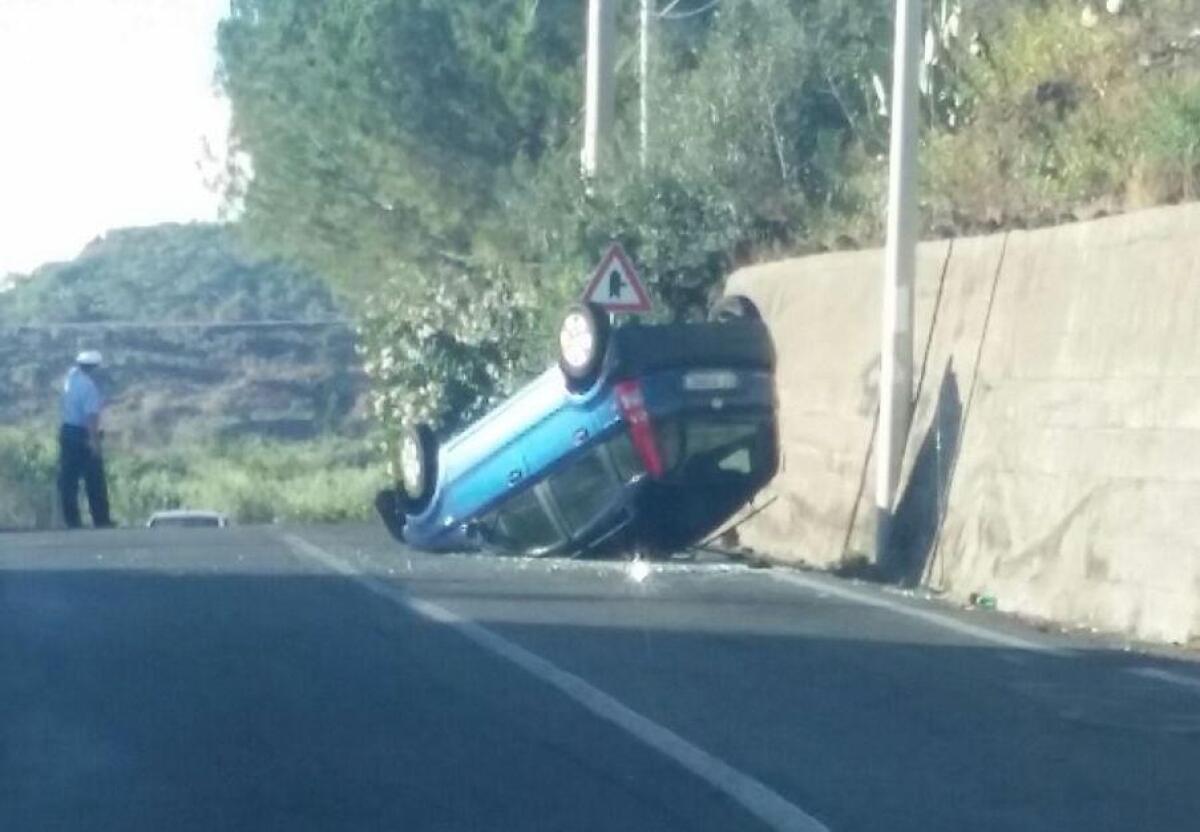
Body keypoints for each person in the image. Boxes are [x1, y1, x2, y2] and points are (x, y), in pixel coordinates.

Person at [58, 350, 112, 529]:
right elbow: (91, 417)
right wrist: (94, 443)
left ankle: (72, 521)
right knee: (94, 479)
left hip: (67, 432)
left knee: (69, 480)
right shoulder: (88, 386)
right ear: (94, 368)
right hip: (82, 434)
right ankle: (101, 519)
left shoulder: (69, 381)